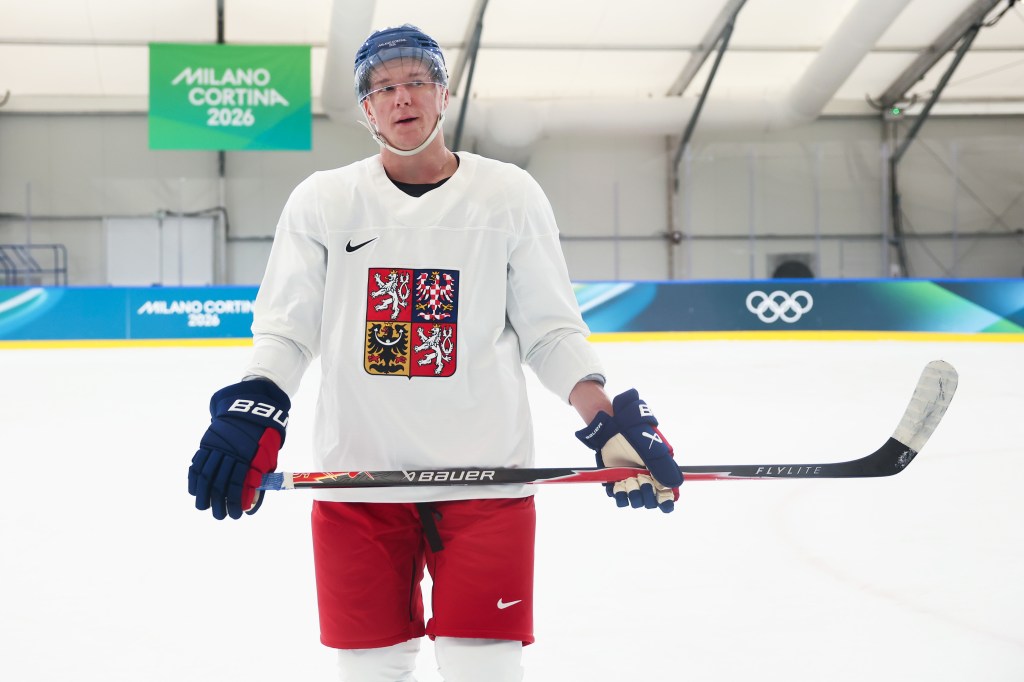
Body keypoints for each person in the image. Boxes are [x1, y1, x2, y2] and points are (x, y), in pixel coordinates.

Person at [187, 24, 682, 682]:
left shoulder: (508, 194)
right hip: (357, 484)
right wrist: (253, 409)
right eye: (382, 87)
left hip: (485, 481)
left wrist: (603, 421)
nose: (401, 97)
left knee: (485, 667)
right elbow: (286, 330)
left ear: (444, 94)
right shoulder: (323, 200)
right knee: (370, 669)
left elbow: (551, 330)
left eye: (416, 80)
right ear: (365, 109)